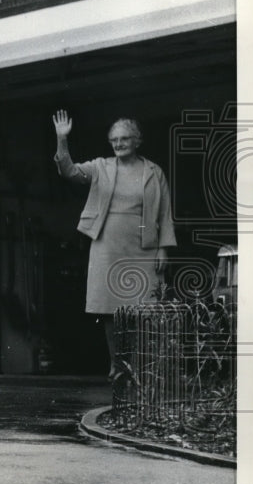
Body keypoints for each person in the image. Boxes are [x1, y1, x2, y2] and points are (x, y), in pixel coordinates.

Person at [52, 110, 176, 379]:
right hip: (107, 245)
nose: (119, 144)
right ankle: (118, 365)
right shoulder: (101, 167)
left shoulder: (154, 172)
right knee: (110, 310)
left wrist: (164, 247)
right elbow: (69, 171)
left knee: (146, 308)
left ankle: (144, 367)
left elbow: (165, 212)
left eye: (124, 139)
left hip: (145, 246)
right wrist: (62, 139)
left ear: (137, 140)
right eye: (114, 140)